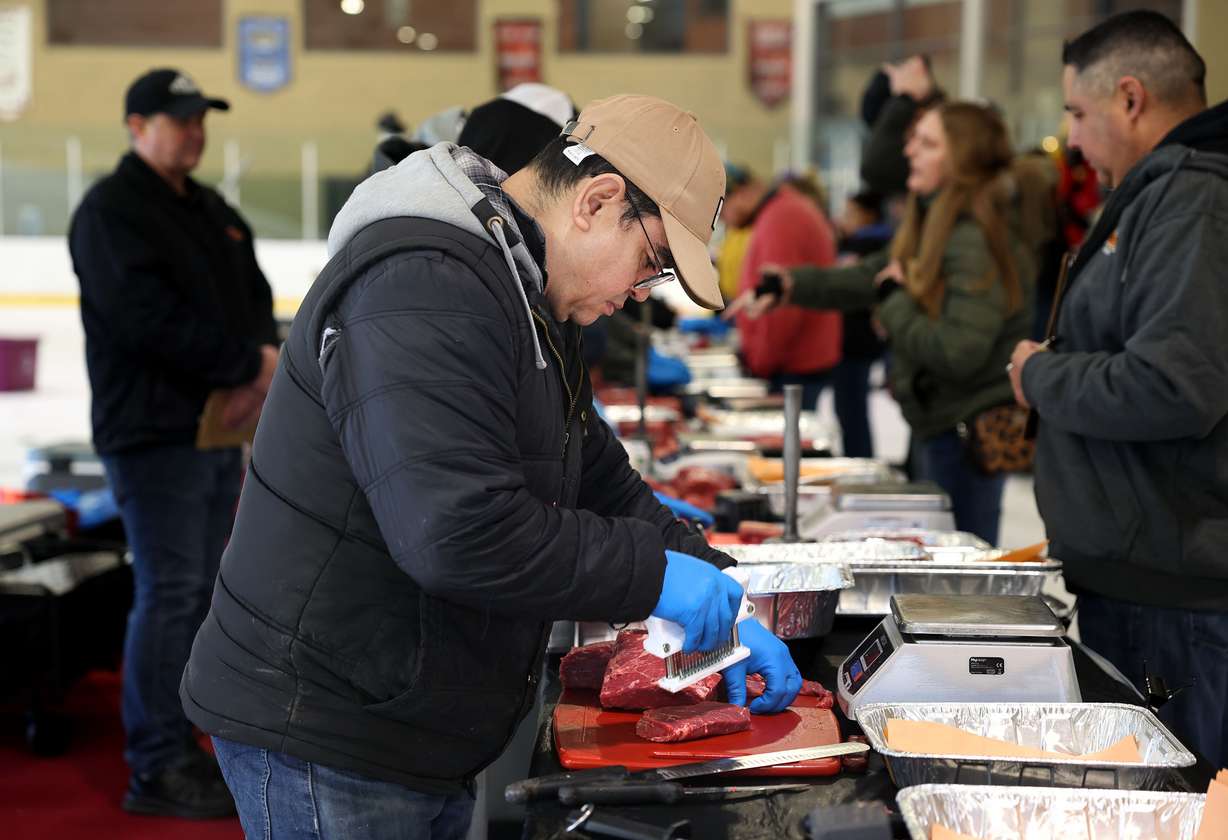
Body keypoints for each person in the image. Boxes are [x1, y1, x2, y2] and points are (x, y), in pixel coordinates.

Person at [181, 95, 802, 839]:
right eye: (652, 263)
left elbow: (599, 478)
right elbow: (456, 530)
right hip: (331, 726)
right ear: (597, 202)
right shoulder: (423, 285)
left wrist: (723, 597)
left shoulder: (525, 287)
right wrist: (659, 579)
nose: (639, 294)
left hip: (410, 714)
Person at [1009, 11, 1228, 766]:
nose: (1069, 137)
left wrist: (1040, 374)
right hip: (1145, 581)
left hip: (1174, 600)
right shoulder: (1163, 194)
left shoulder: (1193, 199)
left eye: (1077, 112)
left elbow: (1175, 384)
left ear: (1130, 98)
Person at [67, 68, 278, 819]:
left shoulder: (210, 210)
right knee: (170, 591)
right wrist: (246, 363)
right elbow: (142, 319)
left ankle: (184, 739)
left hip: (218, 429)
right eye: (178, 119)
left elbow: (252, 300)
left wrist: (260, 361)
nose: (194, 131)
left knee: (202, 592)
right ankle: (154, 763)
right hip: (153, 435)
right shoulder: (113, 212)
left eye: (200, 119)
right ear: (136, 124)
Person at [731, 102, 1033, 545]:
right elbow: (867, 275)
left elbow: (958, 351)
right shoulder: (936, 224)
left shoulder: (972, 238)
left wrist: (894, 303)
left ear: (962, 160)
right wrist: (792, 285)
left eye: (927, 143)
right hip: (939, 425)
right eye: (913, 139)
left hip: (966, 438)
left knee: (955, 578)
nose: (909, 150)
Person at [724, 164, 842, 412]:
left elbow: (780, 305)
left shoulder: (781, 218)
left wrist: (760, 363)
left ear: (743, 192)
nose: (724, 219)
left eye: (723, 207)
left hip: (793, 366)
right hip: (794, 361)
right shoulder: (780, 211)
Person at [831, 191, 893, 458]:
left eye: (850, 213)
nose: (844, 219)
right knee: (850, 409)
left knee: (852, 409)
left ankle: (859, 461)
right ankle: (858, 459)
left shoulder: (866, 247)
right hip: (857, 340)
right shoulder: (862, 243)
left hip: (856, 340)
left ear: (869, 215)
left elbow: (845, 284)